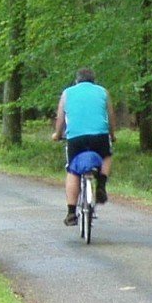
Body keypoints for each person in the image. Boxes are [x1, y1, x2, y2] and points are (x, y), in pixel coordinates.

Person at [51, 66, 112, 225]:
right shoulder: (103, 92)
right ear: (93, 80)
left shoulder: (67, 93)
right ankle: (101, 186)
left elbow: (60, 118)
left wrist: (57, 135)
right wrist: (112, 134)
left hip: (76, 138)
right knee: (106, 156)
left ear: (77, 80)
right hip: (100, 136)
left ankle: (71, 213)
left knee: (73, 170)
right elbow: (110, 116)